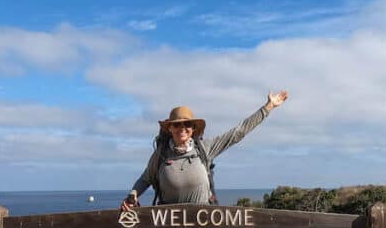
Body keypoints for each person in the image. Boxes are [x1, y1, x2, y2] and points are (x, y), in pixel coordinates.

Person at [121, 90, 289, 210]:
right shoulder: (161, 154)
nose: (182, 128)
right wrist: (132, 196)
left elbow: (238, 132)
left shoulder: (204, 149)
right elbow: (145, 179)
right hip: (168, 227)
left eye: (187, 124)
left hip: (203, 224)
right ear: (170, 128)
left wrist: (267, 108)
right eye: (177, 124)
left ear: (193, 129)